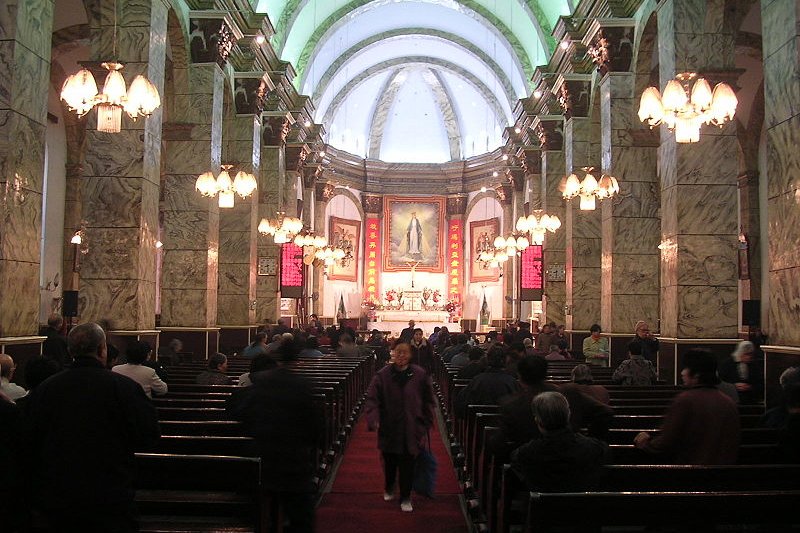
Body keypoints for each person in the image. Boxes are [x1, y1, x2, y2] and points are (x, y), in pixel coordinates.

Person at [23, 322, 160, 532]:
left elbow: (29, 439)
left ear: (70, 351)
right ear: (102, 349)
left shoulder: (46, 389)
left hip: (59, 494)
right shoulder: (124, 388)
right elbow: (149, 435)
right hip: (110, 492)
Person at [227, 354, 322, 533]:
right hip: (292, 466)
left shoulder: (248, 394)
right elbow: (314, 428)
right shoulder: (297, 388)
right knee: (300, 516)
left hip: (256, 464)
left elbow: (235, 416)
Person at [633, 349, 741, 464]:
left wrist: (645, 443)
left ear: (696, 375)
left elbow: (666, 442)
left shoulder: (686, 400)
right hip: (725, 475)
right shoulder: (728, 402)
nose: (682, 373)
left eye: (685, 369)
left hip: (690, 474)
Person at [364, 341, 435, 512]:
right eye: (398, 352)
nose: (401, 356)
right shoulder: (383, 375)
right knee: (390, 461)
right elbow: (373, 399)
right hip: (390, 426)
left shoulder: (419, 374)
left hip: (412, 427)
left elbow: (427, 399)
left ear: (410, 355)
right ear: (393, 353)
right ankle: (389, 486)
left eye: (404, 353)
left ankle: (405, 496)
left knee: (408, 463)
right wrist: (374, 418)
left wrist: (427, 419)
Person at [511, 392, 609, 492]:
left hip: (542, 506)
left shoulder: (525, 454)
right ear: (568, 415)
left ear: (538, 421)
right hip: (584, 506)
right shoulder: (595, 449)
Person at [454, 346, 520, 419]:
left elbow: (461, 403)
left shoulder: (477, 380)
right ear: (505, 361)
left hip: (477, 424)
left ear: (488, 360)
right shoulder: (512, 382)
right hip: (505, 425)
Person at [719, 340, 764, 405]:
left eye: (751, 354)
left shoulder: (754, 366)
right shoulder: (727, 364)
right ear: (740, 353)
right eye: (746, 354)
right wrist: (733, 386)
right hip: (730, 398)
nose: (749, 357)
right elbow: (721, 382)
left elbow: (760, 383)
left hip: (750, 399)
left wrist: (750, 387)